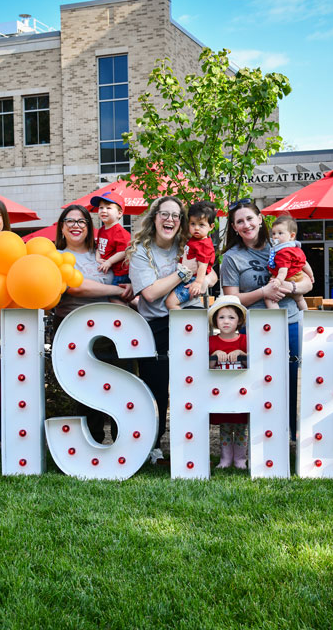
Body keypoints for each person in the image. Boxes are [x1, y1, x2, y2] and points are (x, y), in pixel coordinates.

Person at [126, 196, 219, 466]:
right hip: (155, 326)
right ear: (154, 217)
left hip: (189, 320)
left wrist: (205, 278)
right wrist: (183, 272)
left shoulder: (189, 243)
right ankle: (153, 447)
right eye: (164, 214)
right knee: (155, 389)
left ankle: (189, 445)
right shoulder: (141, 251)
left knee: (190, 386)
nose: (170, 219)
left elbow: (211, 272)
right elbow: (152, 293)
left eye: (176, 215)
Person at [222, 199, 313, 440]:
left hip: (290, 322)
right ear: (233, 227)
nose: (246, 224)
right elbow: (231, 300)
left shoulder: (282, 243)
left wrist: (289, 286)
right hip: (254, 329)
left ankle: (290, 437)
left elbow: (308, 281)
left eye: (250, 218)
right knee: (255, 385)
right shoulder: (231, 258)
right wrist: (264, 292)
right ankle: (260, 439)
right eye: (239, 221)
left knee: (290, 380)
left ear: (260, 219)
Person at [52, 204, 134, 444]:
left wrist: (127, 286)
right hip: (75, 333)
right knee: (87, 391)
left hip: (112, 332)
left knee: (120, 386)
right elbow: (75, 288)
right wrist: (116, 290)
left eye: (82, 221)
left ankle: (124, 443)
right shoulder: (57, 257)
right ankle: (94, 442)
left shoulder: (102, 255)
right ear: (61, 227)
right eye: (70, 221)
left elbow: (125, 274)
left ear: (90, 227)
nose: (76, 226)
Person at [208, 295, 249, 470]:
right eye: (222, 317)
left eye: (231, 317)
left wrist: (242, 354)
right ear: (216, 321)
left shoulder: (245, 341)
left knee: (240, 428)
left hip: (240, 392)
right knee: (225, 428)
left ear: (238, 320)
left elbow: (251, 365)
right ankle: (225, 459)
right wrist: (214, 355)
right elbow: (206, 368)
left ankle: (240, 459)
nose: (226, 321)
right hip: (221, 393)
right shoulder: (211, 342)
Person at [166, 202, 216, 310]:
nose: (196, 228)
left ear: (211, 227)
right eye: (193, 224)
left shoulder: (204, 245)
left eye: (201, 225)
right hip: (188, 277)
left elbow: (203, 265)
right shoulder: (195, 240)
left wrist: (198, 283)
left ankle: (182, 322)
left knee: (170, 303)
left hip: (192, 280)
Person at [266, 215, 313, 311]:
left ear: (292, 236)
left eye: (280, 233)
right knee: (299, 299)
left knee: (269, 298)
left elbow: (283, 269)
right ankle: (306, 315)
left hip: (286, 278)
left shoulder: (283, 252)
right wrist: (311, 276)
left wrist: (278, 280)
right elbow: (304, 263)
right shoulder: (296, 248)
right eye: (274, 233)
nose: (275, 236)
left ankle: (277, 317)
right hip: (298, 277)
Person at [92, 191, 131, 291]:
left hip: (120, 273)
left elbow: (123, 251)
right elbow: (99, 247)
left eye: (108, 208)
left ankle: (134, 305)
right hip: (107, 271)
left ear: (119, 213)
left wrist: (109, 262)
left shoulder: (121, 232)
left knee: (114, 296)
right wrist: (98, 257)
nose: (103, 210)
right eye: (101, 208)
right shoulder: (101, 230)